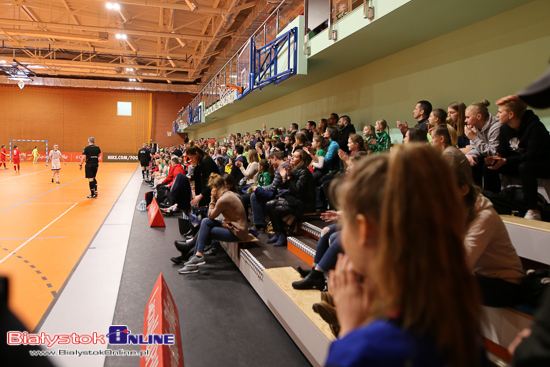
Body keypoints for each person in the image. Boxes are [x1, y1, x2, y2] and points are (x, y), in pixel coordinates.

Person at [325, 144, 484, 367]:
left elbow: (363, 353)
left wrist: (351, 332)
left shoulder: (363, 351)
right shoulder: (459, 320)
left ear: (363, 229)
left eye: (345, 221)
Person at [485, 96, 550, 221]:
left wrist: (507, 160)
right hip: (518, 162)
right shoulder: (504, 128)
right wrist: (498, 158)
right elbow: (503, 151)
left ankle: (533, 210)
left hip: (542, 163)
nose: (497, 115)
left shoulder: (535, 127)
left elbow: (532, 155)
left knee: (525, 167)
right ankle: (490, 202)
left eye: (500, 112)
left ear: (511, 114)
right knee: (489, 166)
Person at [178, 173, 249, 274]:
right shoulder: (228, 194)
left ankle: (196, 257)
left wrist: (212, 199)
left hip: (238, 232)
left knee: (206, 226)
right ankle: (196, 257)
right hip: (233, 227)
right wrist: (222, 223)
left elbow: (210, 215)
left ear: (214, 187)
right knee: (205, 223)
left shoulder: (223, 199)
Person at [265, 149, 315, 247]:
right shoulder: (294, 171)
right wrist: (284, 177)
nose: (292, 157)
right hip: (294, 199)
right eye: (292, 155)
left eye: (295, 156)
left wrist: (288, 176)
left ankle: (283, 234)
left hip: (304, 202)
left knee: (277, 205)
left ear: (302, 160)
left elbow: (296, 190)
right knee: (269, 204)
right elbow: (287, 188)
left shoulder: (304, 172)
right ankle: (279, 232)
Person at [464, 100, 501, 192]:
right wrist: (469, 155)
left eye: (468, 117)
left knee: (488, 163)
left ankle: (491, 197)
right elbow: (475, 148)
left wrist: (474, 138)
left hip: (498, 157)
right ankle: (476, 193)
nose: (465, 120)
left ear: (479, 116)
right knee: (472, 161)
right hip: (484, 154)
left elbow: (494, 152)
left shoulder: (496, 126)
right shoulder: (474, 126)